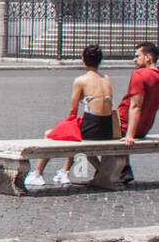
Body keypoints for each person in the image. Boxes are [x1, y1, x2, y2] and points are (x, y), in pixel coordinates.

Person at [25, 43, 114, 189]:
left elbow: (73, 111)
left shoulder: (81, 80)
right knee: (74, 134)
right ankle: (65, 172)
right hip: (106, 128)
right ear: (100, 60)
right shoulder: (107, 78)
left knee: (52, 134)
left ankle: (38, 173)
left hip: (92, 129)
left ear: (83, 60)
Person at [117, 41, 159, 182]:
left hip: (121, 125)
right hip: (144, 128)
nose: (134, 60)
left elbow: (136, 106)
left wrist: (130, 135)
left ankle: (120, 168)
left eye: (137, 56)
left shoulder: (139, 75)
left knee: (83, 130)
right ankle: (123, 167)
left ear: (148, 57)